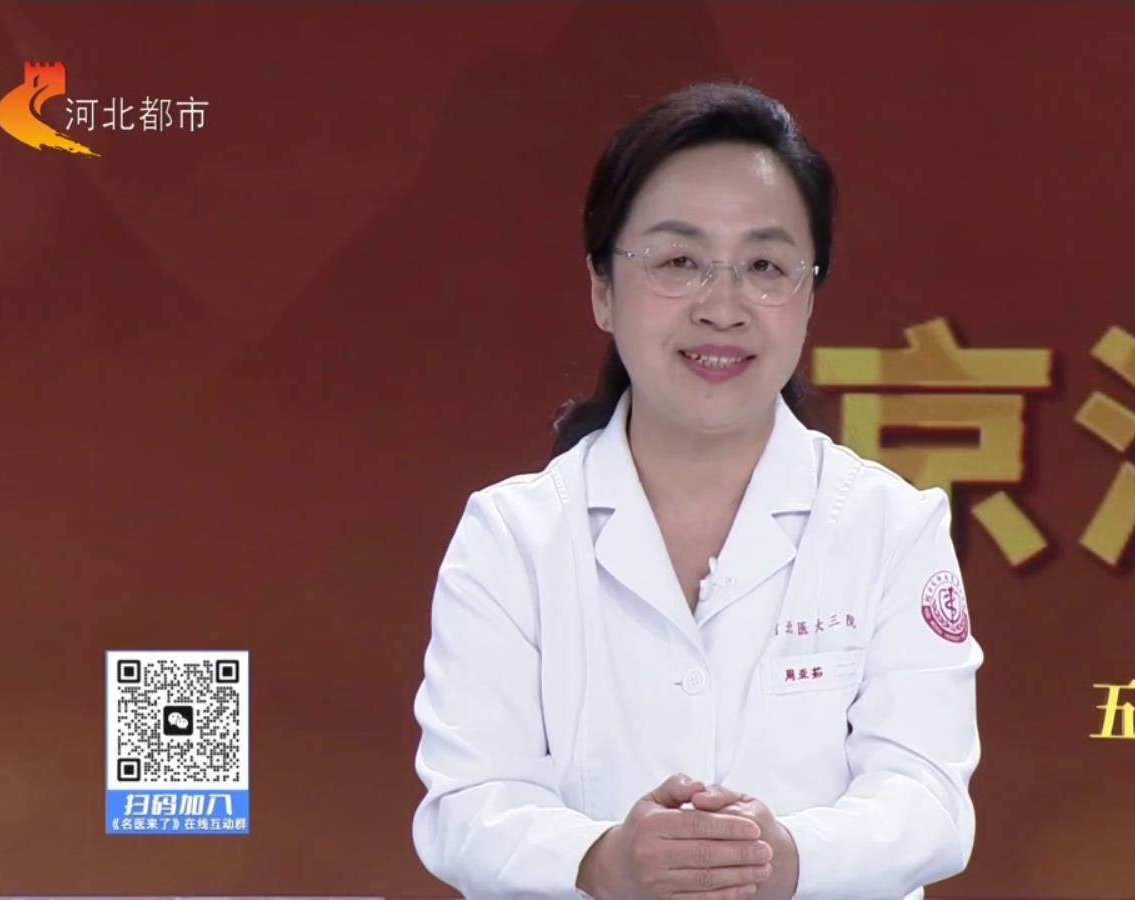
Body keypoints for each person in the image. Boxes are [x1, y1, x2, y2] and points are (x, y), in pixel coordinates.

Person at [411, 81, 981, 900]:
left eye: (765, 266)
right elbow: (467, 805)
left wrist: (786, 858)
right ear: (603, 288)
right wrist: (603, 860)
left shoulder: (891, 526)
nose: (722, 308)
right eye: (679, 262)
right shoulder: (513, 536)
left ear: (809, 296)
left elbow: (929, 800)